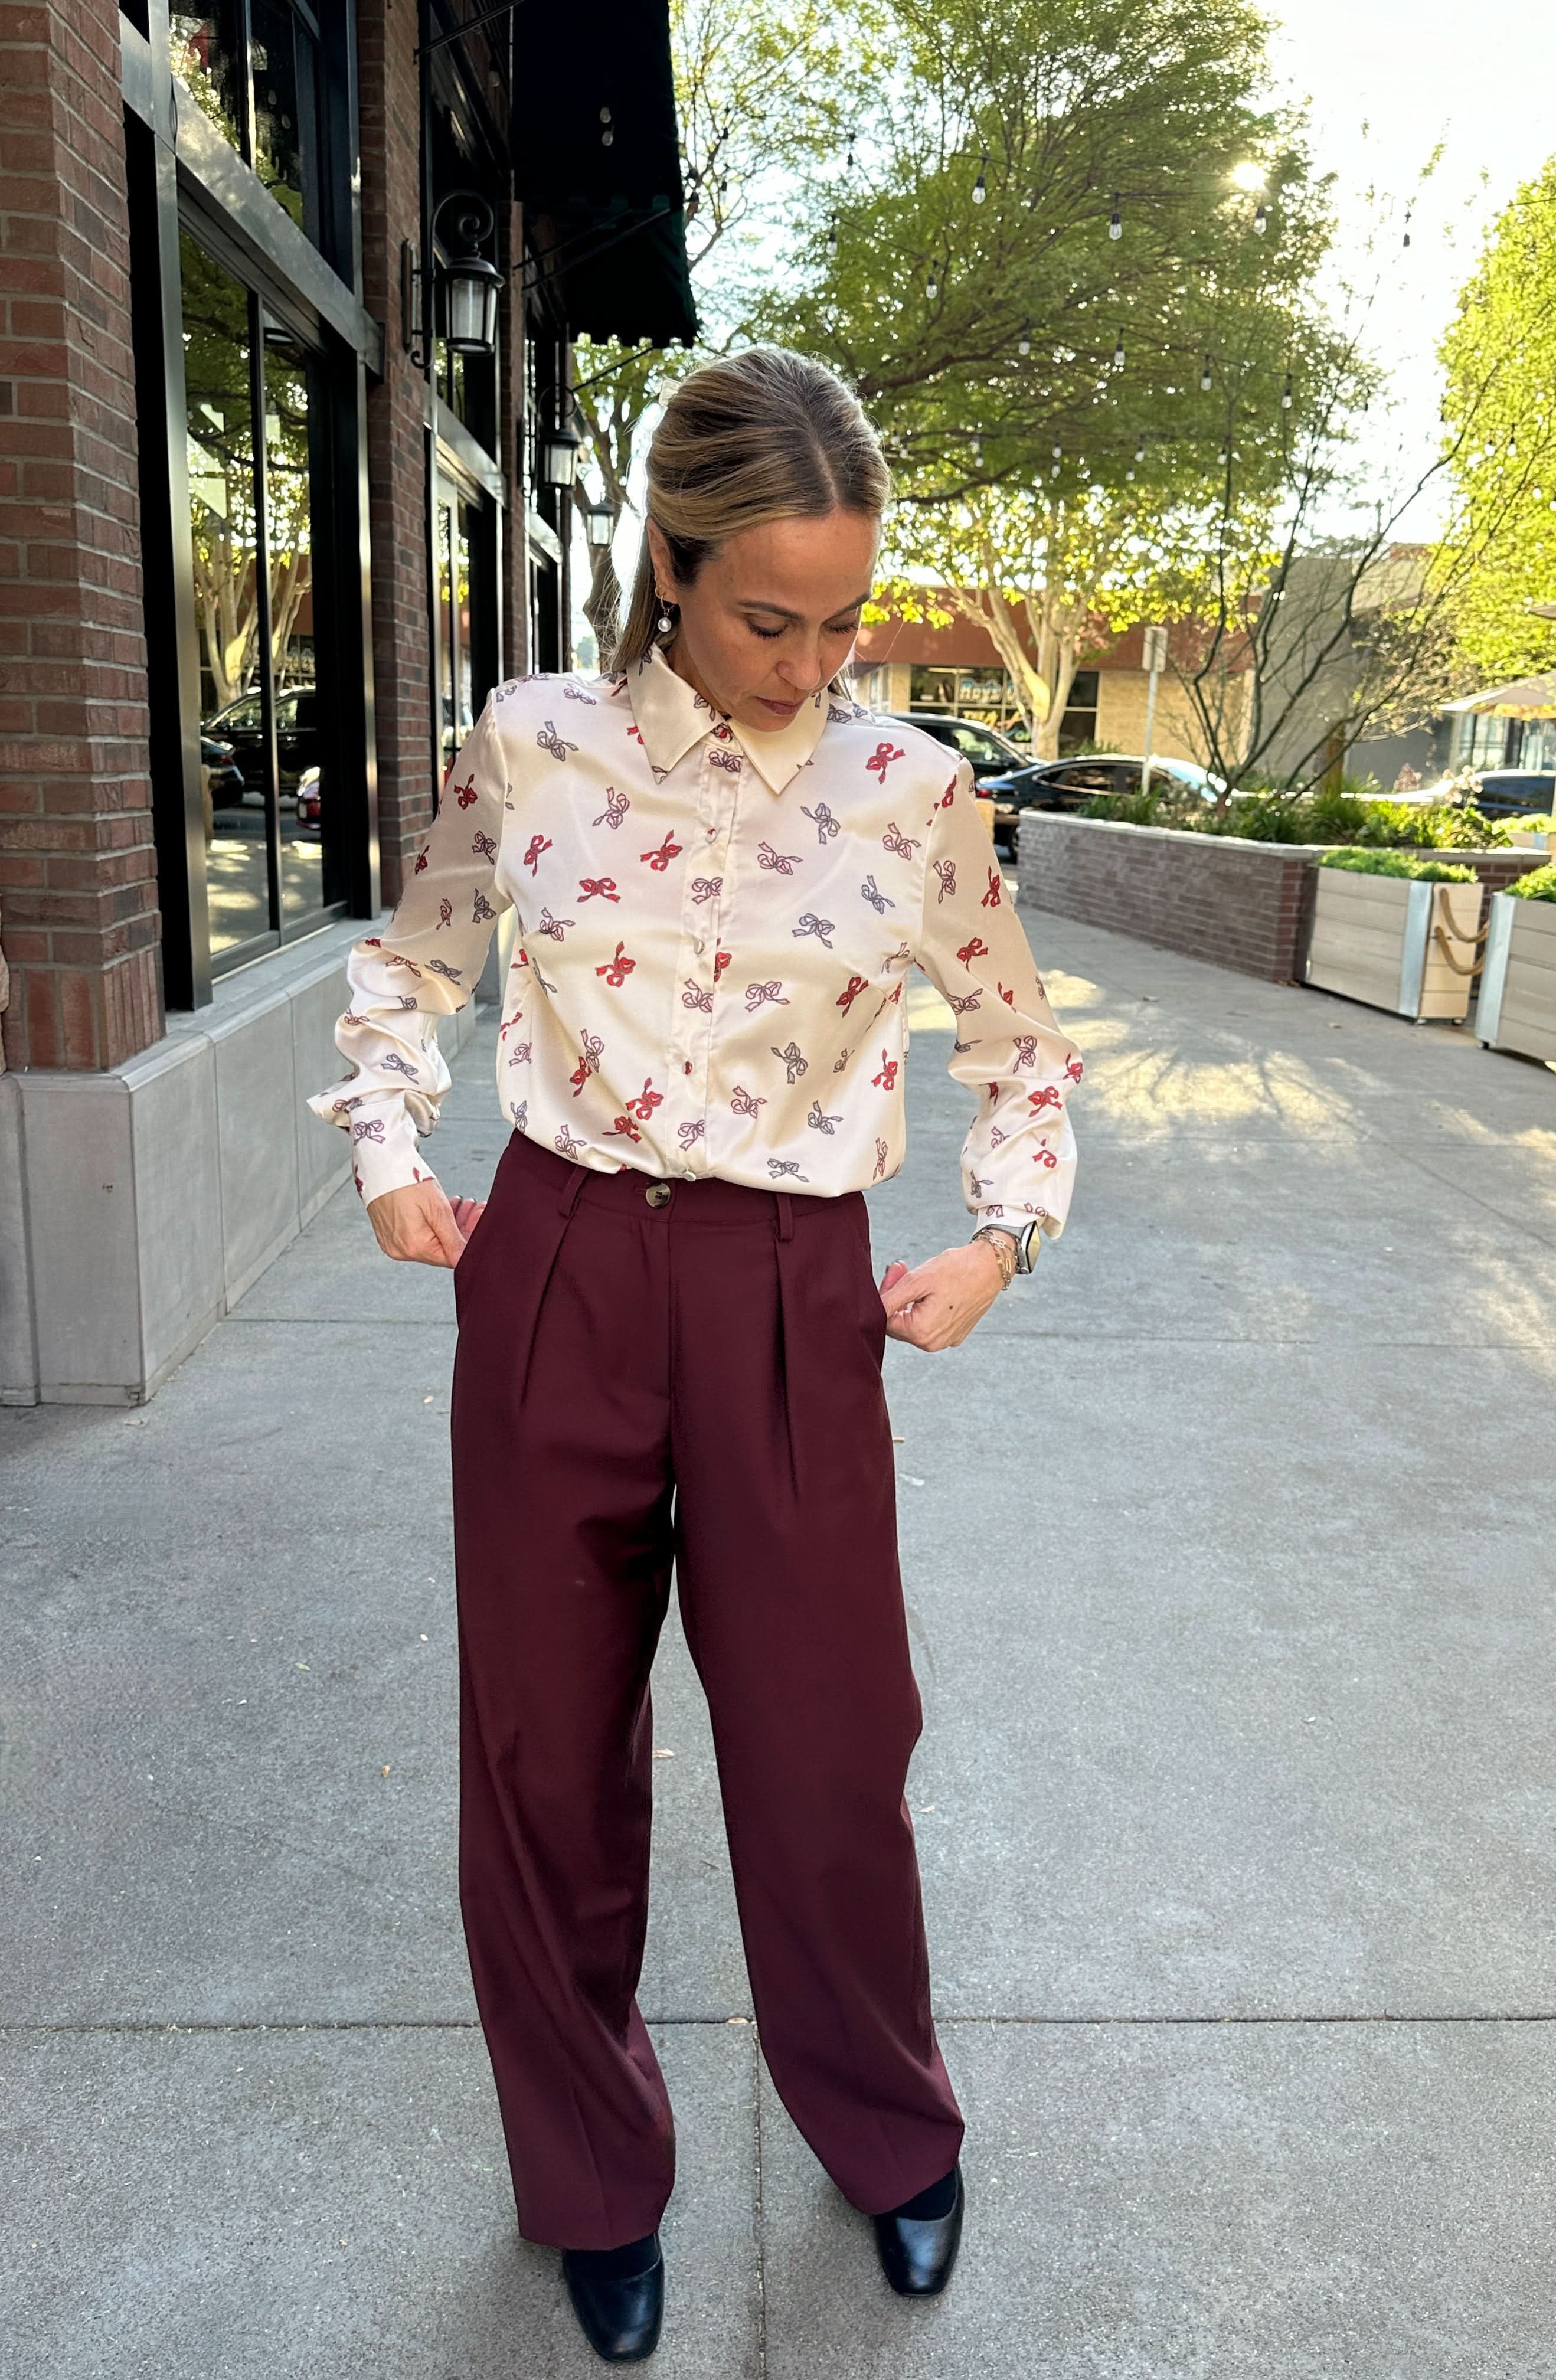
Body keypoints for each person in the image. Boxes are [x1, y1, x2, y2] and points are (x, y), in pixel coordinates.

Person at [309, 346, 1081, 2364]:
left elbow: (1018, 1043)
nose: (805, 661)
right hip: (558, 1264)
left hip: (789, 1291)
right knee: (544, 1764)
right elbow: (412, 959)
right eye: (765, 614)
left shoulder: (915, 794)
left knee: (835, 1753)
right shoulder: (533, 745)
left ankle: (891, 2133)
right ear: (668, 560)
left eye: (843, 621)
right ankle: (592, 2181)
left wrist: (1003, 1234)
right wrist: (392, 1154)